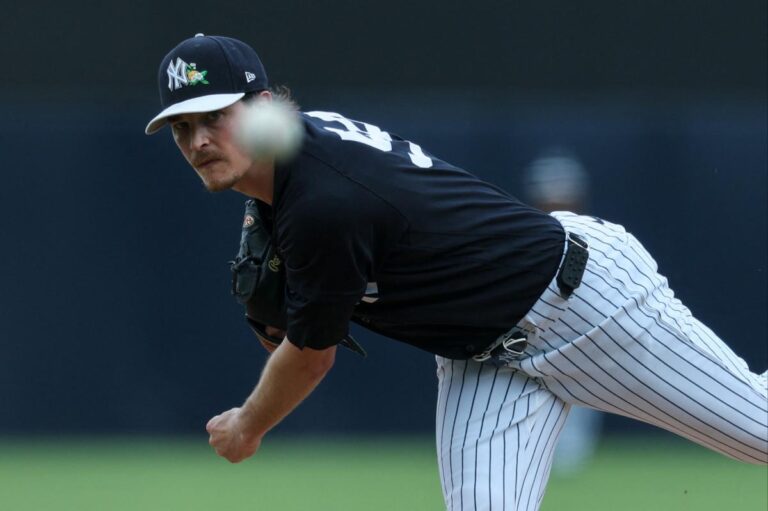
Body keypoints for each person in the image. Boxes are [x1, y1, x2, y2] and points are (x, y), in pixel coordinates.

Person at [146, 34, 768, 511]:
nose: (198, 141)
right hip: (481, 355)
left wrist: (247, 426)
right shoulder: (290, 166)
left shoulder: (321, 200)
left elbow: (311, 358)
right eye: (181, 127)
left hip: (582, 304)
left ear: (260, 106)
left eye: (214, 117)